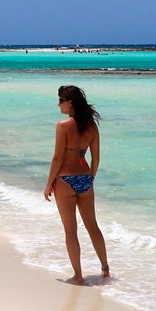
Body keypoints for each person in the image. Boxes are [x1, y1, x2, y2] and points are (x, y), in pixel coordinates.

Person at [44, 85, 109, 284]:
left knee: (71, 231)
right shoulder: (92, 126)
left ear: (69, 102)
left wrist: (48, 185)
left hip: (65, 181)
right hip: (86, 179)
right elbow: (95, 158)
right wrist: (91, 178)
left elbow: (57, 158)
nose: (58, 104)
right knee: (93, 226)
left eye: (61, 101)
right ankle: (105, 270)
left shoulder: (62, 125)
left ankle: (78, 276)